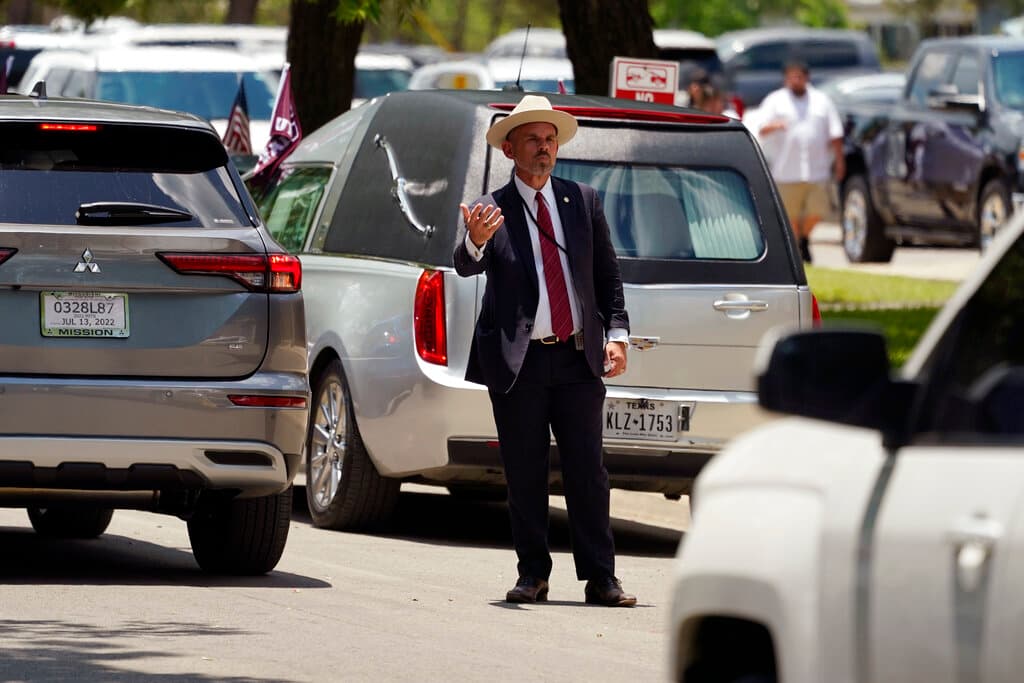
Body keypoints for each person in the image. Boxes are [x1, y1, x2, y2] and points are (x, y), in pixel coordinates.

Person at [453, 95, 636, 607]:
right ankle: (532, 573)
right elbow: (466, 265)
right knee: (525, 472)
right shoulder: (492, 209)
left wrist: (616, 336)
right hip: (521, 364)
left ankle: (602, 578)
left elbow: (608, 278)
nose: (544, 147)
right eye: (533, 139)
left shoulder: (584, 201)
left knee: (588, 472)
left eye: (550, 138)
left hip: (578, 359)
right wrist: (474, 241)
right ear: (510, 148)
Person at [757, 60, 844, 263]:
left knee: (817, 212)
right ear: (786, 79)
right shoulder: (775, 101)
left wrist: (840, 161)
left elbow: (835, 133)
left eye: (799, 76)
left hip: (817, 170)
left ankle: (803, 238)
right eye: (791, 76)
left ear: (807, 77)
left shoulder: (822, 100)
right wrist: (775, 125)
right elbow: (761, 127)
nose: (796, 80)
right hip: (786, 170)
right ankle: (799, 247)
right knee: (790, 215)